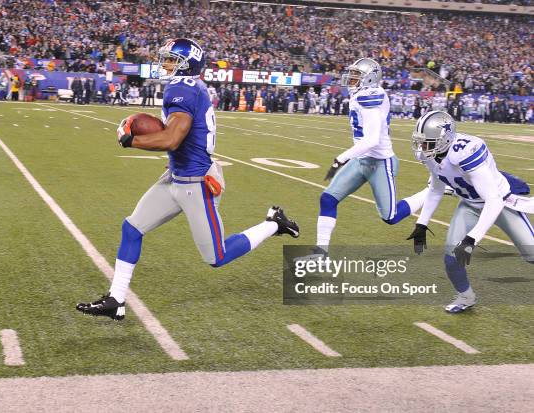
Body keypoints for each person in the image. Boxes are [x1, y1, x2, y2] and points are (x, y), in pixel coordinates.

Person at [76, 38, 299, 320]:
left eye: (171, 60)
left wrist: (130, 140)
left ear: (187, 63)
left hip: (196, 183)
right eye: (165, 58)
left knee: (216, 257)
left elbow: (171, 138)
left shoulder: (183, 88)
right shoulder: (186, 86)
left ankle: (273, 224)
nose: (165, 64)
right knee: (131, 228)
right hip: (176, 177)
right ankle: (116, 300)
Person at [408, 111, 533, 313]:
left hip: (501, 203)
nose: (422, 147)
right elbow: (436, 187)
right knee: (451, 257)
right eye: (421, 142)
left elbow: (492, 200)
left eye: (427, 142)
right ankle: (466, 296)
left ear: (445, 139)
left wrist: (471, 239)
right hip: (469, 204)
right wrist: (422, 223)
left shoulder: (465, 151)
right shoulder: (432, 155)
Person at [315, 58, 428, 256]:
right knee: (327, 199)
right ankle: (320, 253)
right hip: (362, 160)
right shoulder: (360, 94)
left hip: (380, 163)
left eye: (357, 75)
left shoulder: (371, 97)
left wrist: (340, 159)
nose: (351, 78)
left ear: (369, 79)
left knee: (391, 217)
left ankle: (432, 191)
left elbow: (372, 139)